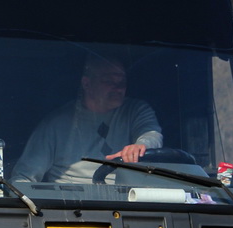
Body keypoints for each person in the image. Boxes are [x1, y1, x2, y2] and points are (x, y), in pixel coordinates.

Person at [11, 53, 162, 184]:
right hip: (70, 209)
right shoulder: (56, 124)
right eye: (109, 81)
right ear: (87, 83)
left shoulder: (135, 110)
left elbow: (152, 135)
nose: (118, 88)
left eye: (122, 82)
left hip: (127, 205)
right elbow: (23, 178)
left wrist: (141, 146)